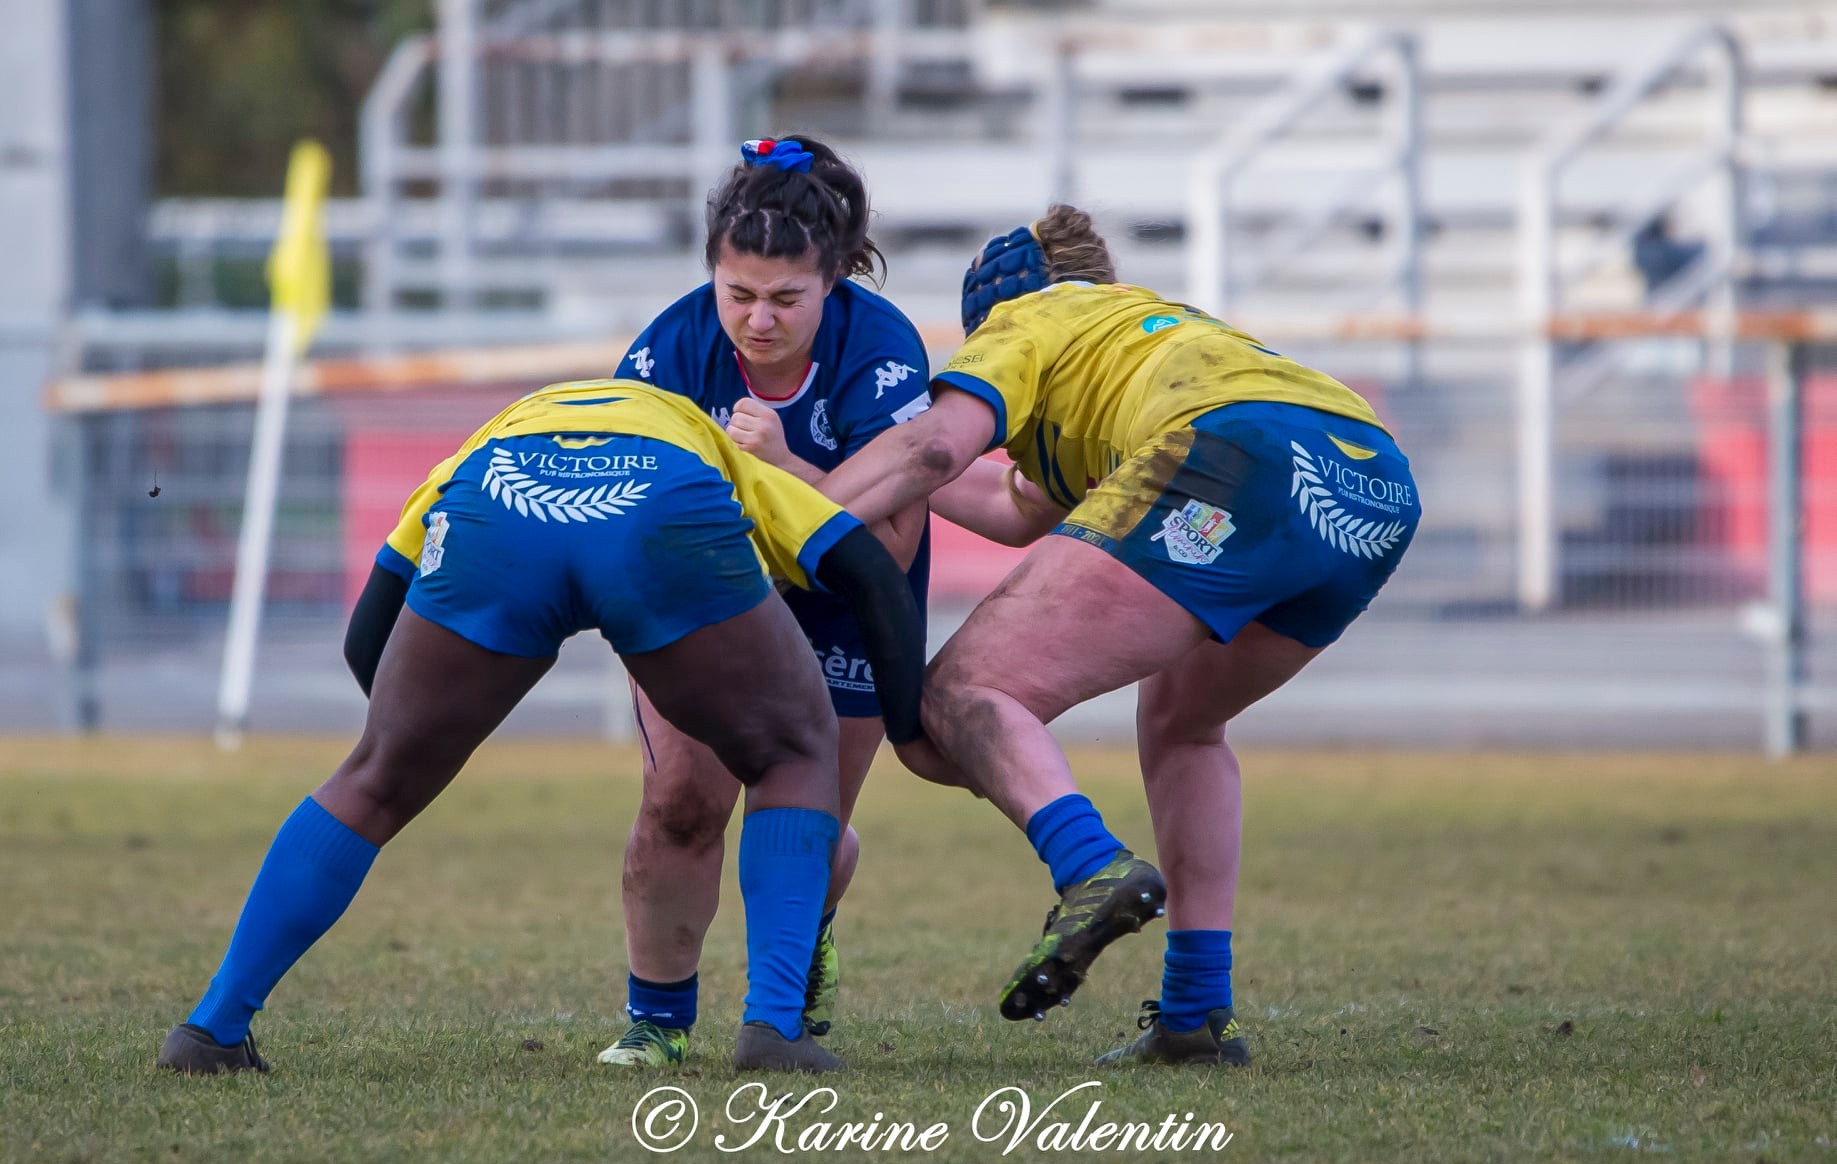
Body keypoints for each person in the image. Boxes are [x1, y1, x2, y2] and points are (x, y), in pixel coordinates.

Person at [158, 378, 926, 1077]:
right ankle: (773, 1029)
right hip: (661, 504)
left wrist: (416, 741)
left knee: (373, 775)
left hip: (498, 507)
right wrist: (906, 726)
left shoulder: (476, 448)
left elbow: (368, 636)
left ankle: (212, 1027)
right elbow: (868, 572)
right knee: (792, 750)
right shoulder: (706, 439)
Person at [825, 205, 1422, 1067]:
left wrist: (804, 512)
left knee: (961, 693)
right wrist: (836, 462)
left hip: (1235, 452)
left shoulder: (1026, 317)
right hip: (1370, 482)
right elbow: (1009, 504)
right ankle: (1193, 1012)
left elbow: (932, 453)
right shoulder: (1144, 332)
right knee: (1183, 724)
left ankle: (1089, 866)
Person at [595, 136, 933, 1066]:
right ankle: (655, 1024)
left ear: (832, 281)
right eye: (736, 294)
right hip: (709, 600)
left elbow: (893, 544)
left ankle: (786, 989)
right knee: (681, 803)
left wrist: (783, 470)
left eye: (787, 299)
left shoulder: (883, 353)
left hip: (846, 604)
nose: (757, 321)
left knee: (803, 824)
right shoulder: (668, 349)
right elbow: (620, 511)